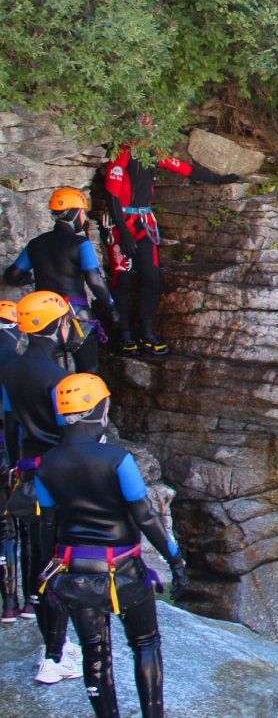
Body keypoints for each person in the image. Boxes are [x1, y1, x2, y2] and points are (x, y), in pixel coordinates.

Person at [36, 372, 188, 718]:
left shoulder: (46, 465)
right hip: (123, 571)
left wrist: (47, 575)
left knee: (94, 653)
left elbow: (47, 526)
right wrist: (175, 559)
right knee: (146, 642)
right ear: (98, 410)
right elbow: (146, 517)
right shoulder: (118, 459)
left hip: (74, 571)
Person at [0, 292, 81, 682]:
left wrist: (17, 467)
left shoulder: (11, 369)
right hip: (57, 475)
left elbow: (11, 424)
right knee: (60, 560)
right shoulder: (59, 380)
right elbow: (71, 436)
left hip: (27, 471)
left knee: (37, 559)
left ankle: (54, 647)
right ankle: (55, 656)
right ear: (58, 325)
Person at [102, 137, 242, 356]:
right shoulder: (121, 152)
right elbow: (111, 194)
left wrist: (220, 179)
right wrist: (124, 232)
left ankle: (147, 335)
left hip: (143, 223)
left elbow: (185, 169)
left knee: (151, 277)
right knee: (122, 279)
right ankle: (124, 335)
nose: (154, 130)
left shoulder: (153, 154)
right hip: (121, 225)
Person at [3, 189, 120, 373]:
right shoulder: (80, 244)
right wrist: (111, 308)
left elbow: (11, 276)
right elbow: (95, 280)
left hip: (44, 320)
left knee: (53, 375)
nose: (83, 217)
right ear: (73, 213)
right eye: (82, 212)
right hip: (75, 318)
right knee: (88, 373)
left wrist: (30, 279)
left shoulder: (36, 243)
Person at [0, 300, 19, 625]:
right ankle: (12, 604)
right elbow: (11, 416)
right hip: (5, 452)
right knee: (8, 531)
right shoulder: (14, 361)